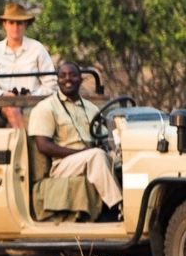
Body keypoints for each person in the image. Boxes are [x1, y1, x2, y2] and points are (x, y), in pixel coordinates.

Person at [28, 61, 122, 219]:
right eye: (63, 75)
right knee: (96, 156)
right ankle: (118, 207)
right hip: (63, 164)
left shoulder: (91, 107)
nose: (68, 79)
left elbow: (103, 136)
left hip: (89, 156)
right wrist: (80, 152)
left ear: (80, 79)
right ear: (57, 80)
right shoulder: (46, 107)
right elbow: (43, 146)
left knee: (125, 158)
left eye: (73, 75)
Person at [0, 0, 57, 129]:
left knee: (27, 116)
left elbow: (51, 84)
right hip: (4, 104)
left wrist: (32, 95)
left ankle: (21, 145)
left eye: (19, 23)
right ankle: (25, 147)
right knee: (12, 109)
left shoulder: (37, 49)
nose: (15, 27)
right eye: (11, 22)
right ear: (4, 24)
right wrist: (3, 95)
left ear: (25, 25)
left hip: (34, 103)